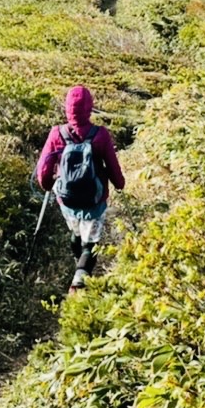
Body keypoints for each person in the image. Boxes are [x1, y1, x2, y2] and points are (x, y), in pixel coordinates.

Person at [35, 85, 125, 292]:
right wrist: (119, 184)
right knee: (90, 242)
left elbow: (43, 171)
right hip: (95, 199)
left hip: (67, 199)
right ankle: (79, 280)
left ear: (67, 108)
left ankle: (79, 263)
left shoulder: (57, 133)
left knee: (76, 231)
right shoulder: (100, 135)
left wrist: (48, 185)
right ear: (89, 108)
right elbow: (112, 166)